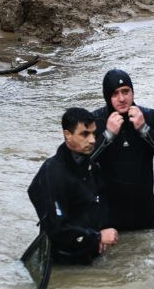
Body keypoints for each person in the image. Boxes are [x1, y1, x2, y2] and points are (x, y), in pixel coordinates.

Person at [91, 69, 154, 231]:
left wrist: (144, 130)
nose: (121, 98)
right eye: (115, 93)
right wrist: (107, 136)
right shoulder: (96, 121)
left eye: (126, 92)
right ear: (107, 96)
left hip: (147, 219)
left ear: (133, 92)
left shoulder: (150, 117)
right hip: (108, 224)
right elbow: (78, 167)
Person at [27, 107, 119, 264]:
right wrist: (97, 237)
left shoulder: (90, 165)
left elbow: (101, 200)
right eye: (85, 134)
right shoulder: (52, 172)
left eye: (93, 133)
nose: (92, 140)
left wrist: (101, 233)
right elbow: (56, 229)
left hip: (90, 255)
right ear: (67, 135)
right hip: (61, 262)